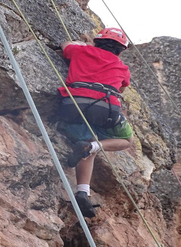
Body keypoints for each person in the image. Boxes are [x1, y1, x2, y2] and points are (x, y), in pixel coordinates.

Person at [57, 28, 133, 218]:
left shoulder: (81, 51)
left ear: (96, 41)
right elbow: (122, 88)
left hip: (73, 105)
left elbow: (64, 45)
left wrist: (84, 45)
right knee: (126, 139)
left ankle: (83, 191)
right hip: (105, 110)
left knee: (87, 142)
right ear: (121, 51)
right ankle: (94, 147)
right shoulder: (121, 66)